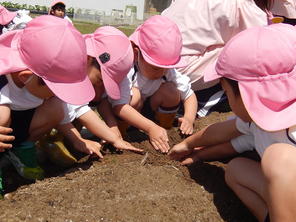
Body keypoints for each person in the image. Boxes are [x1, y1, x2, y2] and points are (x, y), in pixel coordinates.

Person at [169, 23, 296, 222]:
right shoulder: (259, 123)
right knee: (236, 170)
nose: (227, 98)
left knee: (279, 159)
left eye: (227, 93)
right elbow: (225, 136)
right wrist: (193, 151)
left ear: (247, 95)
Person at [0, 15, 95, 197]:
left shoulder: (34, 79)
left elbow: (64, 118)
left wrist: (78, 141)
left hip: (17, 128)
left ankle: (20, 150)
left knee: (56, 106)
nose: (57, 93)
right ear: (25, 76)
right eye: (54, 88)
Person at [42, 26, 143, 167]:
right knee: (58, 107)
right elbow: (65, 108)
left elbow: (80, 109)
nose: (101, 85)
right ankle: (40, 142)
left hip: (51, 114)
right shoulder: (63, 66)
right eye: (101, 79)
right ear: (89, 59)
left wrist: (114, 138)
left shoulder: (80, 69)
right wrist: (78, 140)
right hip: (23, 117)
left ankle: (58, 140)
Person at [161, 0, 274, 117]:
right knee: (243, 49)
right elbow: (262, 41)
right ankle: (212, 98)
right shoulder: (240, 4)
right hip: (184, 73)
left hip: (157, 65)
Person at [108, 15, 197, 154]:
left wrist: (189, 118)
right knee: (135, 95)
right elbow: (119, 106)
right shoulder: (128, 68)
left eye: (166, 67)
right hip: (128, 112)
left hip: (151, 111)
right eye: (156, 67)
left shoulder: (167, 71)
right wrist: (149, 128)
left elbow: (190, 95)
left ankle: (165, 130)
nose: (162, 72)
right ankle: (122, 133)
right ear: (137, 52)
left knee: (171, 91)